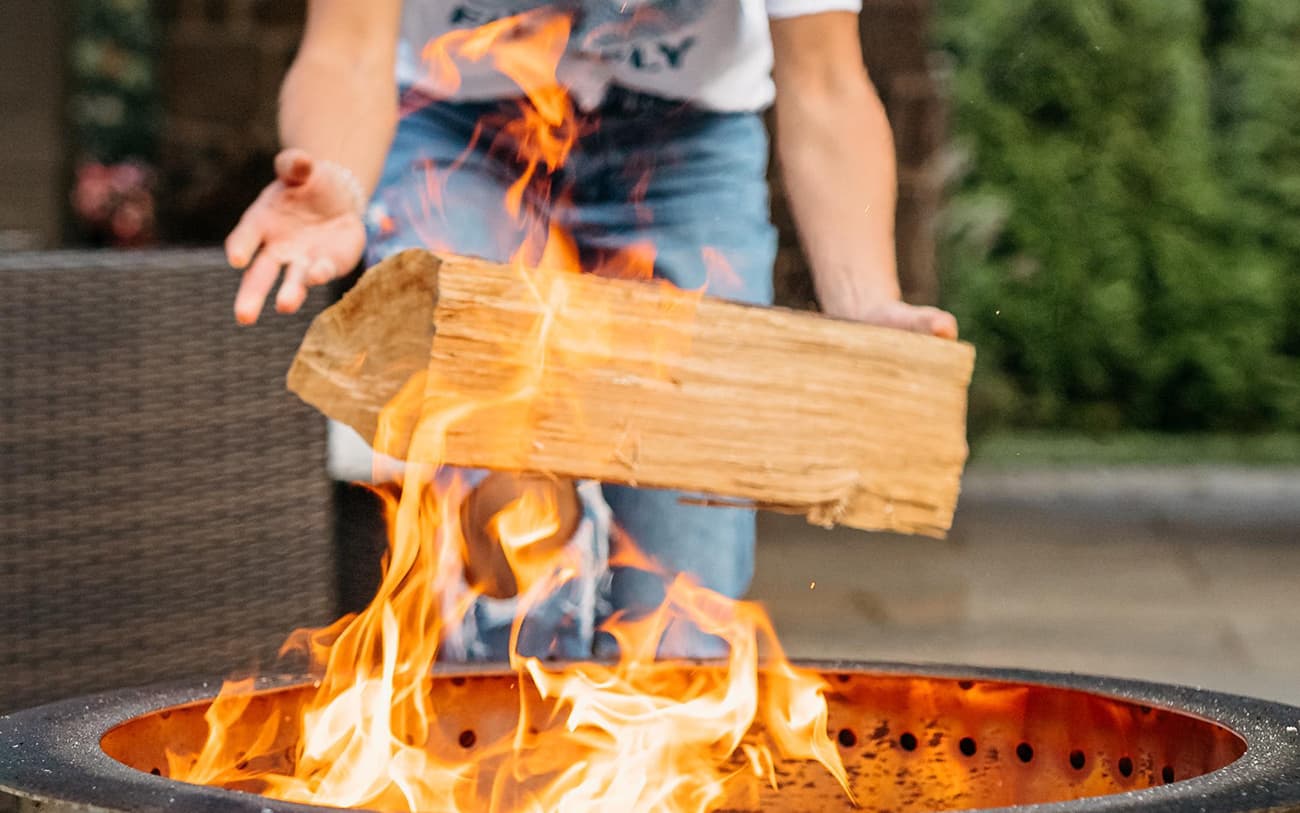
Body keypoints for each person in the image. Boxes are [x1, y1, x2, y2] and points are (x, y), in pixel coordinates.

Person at [225, 0, 959, 661]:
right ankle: (518, 620)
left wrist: (868, 304)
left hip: (685, 149)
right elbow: (347, 49)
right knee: (504, 499)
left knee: (681, 627)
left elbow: (827, 82)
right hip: (456, 131)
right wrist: (338, 183)